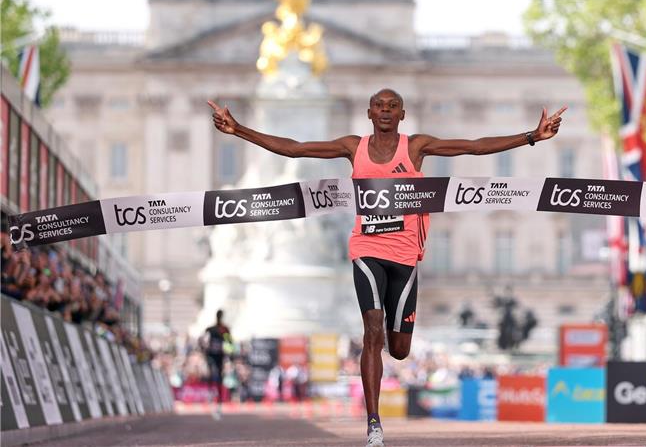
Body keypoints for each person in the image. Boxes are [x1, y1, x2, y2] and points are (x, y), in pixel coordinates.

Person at [208, 89, 565, 446]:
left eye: (392, 106)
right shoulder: (353, 147)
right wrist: (238, 129)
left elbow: (473, 145)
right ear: (368, 112)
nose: (385, 111)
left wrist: (532, 136)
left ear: (403, 114)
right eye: (379, 106)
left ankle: (388, 366)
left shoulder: (416, 147)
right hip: (366, 248)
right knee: (372, 330)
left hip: (406, 255)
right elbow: (295, 148)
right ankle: (374, 423)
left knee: (398, 349)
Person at [202, 309, 232, 420]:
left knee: (218, 376)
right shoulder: (213, 329)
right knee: (214, 374)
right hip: (212, 355)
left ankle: (217, 398)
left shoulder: (223, 329)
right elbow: (203, 340)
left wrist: (228, 352)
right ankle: (212, 394)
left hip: (218, 355)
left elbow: (230, 342)